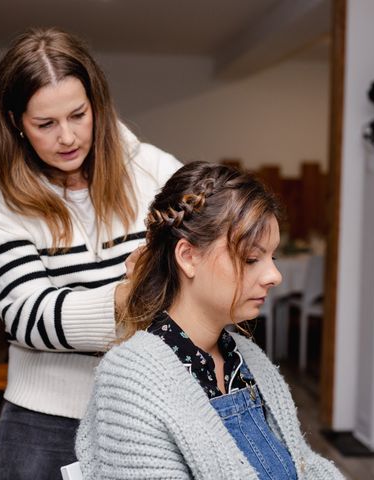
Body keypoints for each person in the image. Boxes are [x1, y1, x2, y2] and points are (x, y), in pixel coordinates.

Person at [0, 27, 181, 479]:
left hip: (147, 407)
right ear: (14, 122)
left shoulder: (153, 169)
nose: (68, 137)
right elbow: (27, 317)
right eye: (45, 124)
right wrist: (130, 298)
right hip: (42, 423)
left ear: (96, 103)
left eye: (78, 115)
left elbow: (207, 249)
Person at [76, 162, 344, 479]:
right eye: (251, 259)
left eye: (272, 258)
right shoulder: (130, 379)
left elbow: (304, 465)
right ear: (188, 256)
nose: (274, 276)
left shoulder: (248, 358)